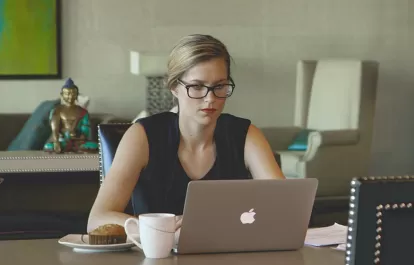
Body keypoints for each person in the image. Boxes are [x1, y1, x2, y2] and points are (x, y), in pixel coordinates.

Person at [87, 34, 285, 236]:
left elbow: (285, 209)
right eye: (197, 87)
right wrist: (166, 227)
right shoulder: (142, 136)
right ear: (174, 87)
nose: (210, 98)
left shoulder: (246, 135)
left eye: (219, 87)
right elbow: (98, 219)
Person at [43, 78, 98, 153]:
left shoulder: (82, 111)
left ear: (77, 95)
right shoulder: (57, 110)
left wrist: (79, 136)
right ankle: (72, 148)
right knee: (48, 146)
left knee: (95, 146)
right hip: (63, 141)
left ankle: (73, 148)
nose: (70, 96)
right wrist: (57, 141)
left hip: (78, 142)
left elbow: (85, 128)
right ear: (62, 95)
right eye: (67, 94)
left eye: (73, 93)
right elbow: (55, 129)